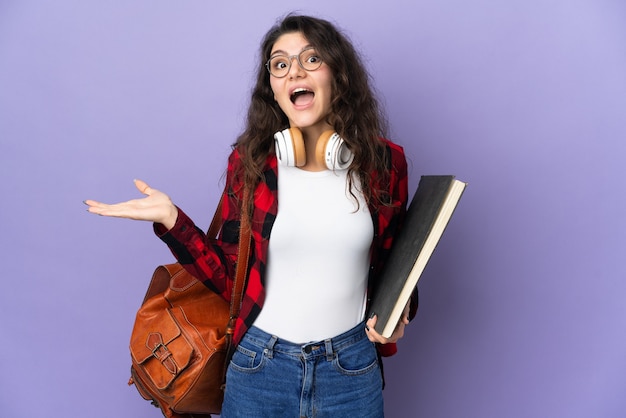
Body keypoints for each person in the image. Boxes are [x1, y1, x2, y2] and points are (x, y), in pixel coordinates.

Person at [85, 14, 418, 418]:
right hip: (260, 367)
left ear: (338, 74)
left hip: (350, 368)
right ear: (274, 90)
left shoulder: (384, 163)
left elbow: (395, 265)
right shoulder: (251, 165)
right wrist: (174, 221)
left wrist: (400, 311)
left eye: (311, 59)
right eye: (280, 64)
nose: (294, 70)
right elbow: (233, 280)